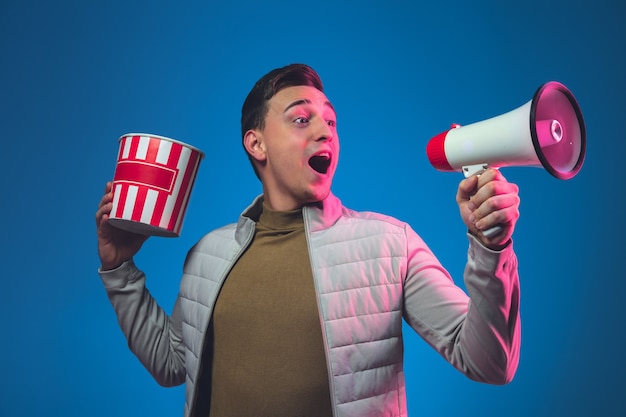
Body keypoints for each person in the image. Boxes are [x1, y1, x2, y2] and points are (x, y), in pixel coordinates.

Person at [96, 63, 521, 417]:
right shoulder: (207, 254)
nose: (326, 131)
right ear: (256, 143)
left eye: (331, 121)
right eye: (302, 119)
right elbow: (172, 365)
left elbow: (489, 362)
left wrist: (491, 249)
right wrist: (119, 269)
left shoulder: (391, 243)